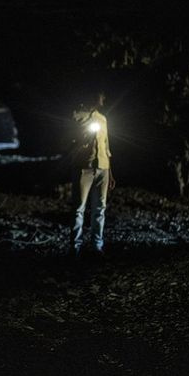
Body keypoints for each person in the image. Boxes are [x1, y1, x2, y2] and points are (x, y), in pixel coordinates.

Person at [68, 91, 115, 257]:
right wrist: (82, 137)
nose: (103, 100)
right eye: (100, 97)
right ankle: (75, 247)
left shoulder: (103, 119)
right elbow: (69, 141)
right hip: (84, 167)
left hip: (103, 168)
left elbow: (107, 146)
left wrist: (110, 172)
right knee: (78, 209)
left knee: (100, 209)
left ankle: (97, 245)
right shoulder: (77, 116)